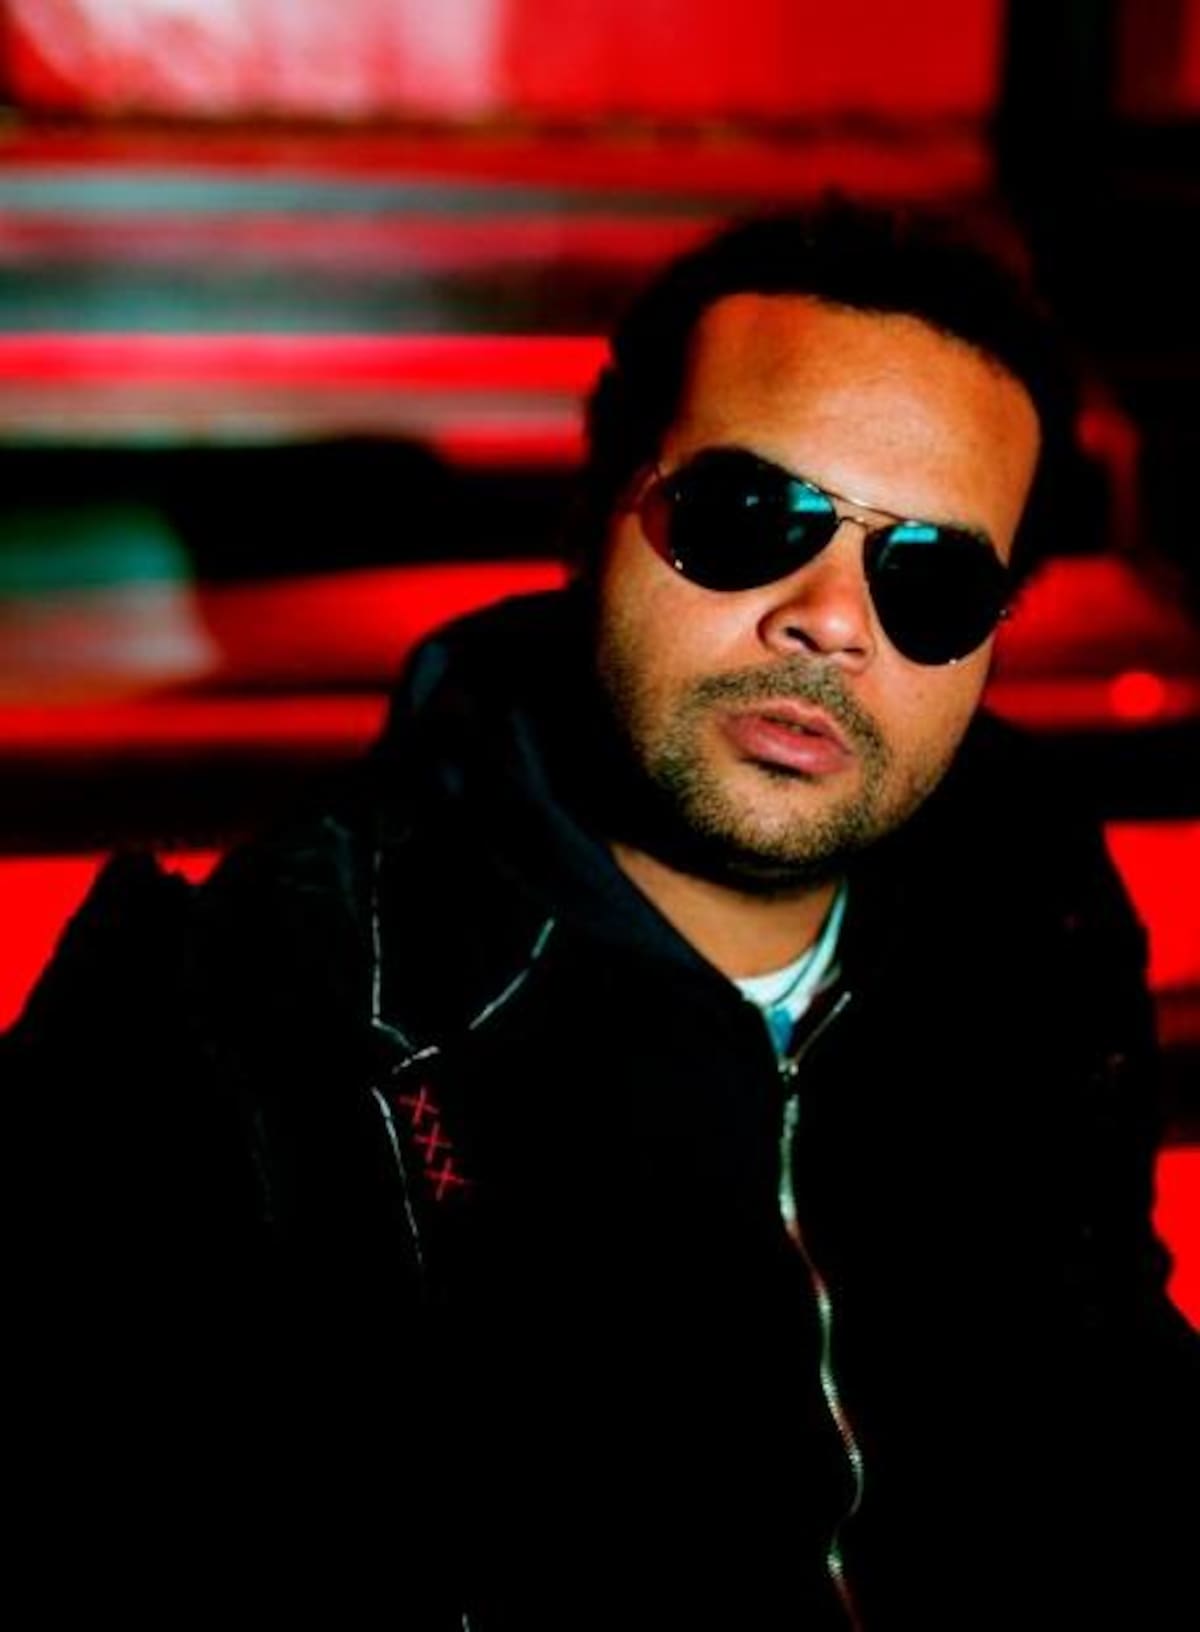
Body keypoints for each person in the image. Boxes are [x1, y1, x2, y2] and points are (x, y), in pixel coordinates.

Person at [7, 199, 1198, 1630]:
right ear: (598, 519)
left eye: (933, 578)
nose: (832, 618)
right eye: (748, 518)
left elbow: (1107, 1393)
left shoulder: (1029, 909)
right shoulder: (243, 1015)